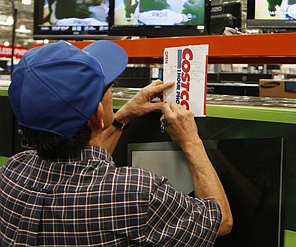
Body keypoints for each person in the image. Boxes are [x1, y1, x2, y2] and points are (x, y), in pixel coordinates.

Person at [0, 40, 232, 246]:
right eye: (109, 87)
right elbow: (220, 221)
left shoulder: (11, 173)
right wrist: (191, 140)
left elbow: (84, 168)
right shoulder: (135, 193)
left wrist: (121, 117)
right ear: (97, 114)